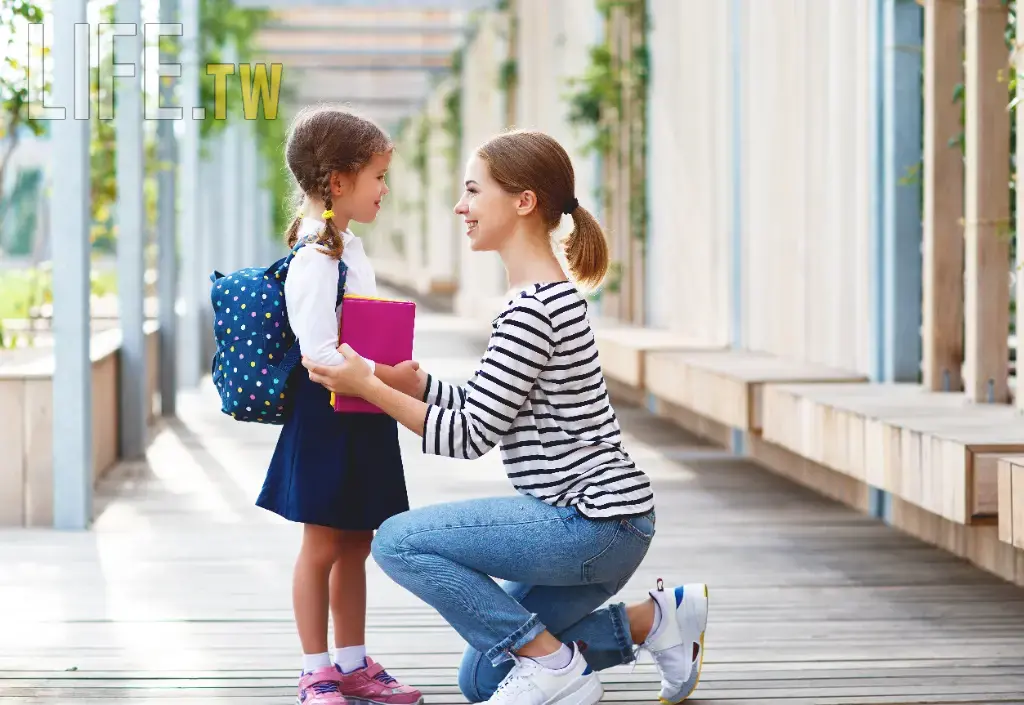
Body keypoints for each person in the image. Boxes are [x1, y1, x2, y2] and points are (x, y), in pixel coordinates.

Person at [301, 129, 709, 705]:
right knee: (483, 679)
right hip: (610, 525)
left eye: (473, 191)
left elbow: (469, 436)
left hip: (588, 524)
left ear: (523, 202)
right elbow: (491, 405)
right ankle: (655, 622)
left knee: (396, 541)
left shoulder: (533, 311)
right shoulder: (545, 299)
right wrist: (417, 384)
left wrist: (366, 385)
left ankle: (552, 664)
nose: (460, 206)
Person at [256, 105, 424, 705]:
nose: (384, 188)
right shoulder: (316, 257)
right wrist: (390, 376)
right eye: (377, 175)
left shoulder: (346, 248)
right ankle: (315, 669)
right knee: (322, 546)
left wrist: (383, 377)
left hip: (359, 413)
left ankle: (353, 663)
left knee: (357, 542)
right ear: (337, 182)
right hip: (328, 415)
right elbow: (320, 356)